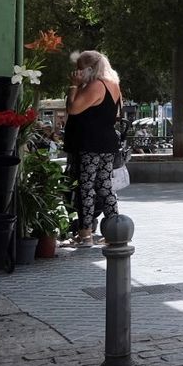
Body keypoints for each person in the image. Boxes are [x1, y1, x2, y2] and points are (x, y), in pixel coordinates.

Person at [65, 50, 124, 247]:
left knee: (86, 187)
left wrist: (73, 86)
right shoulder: (112, 85)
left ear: (89, 69)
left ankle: (85, 233)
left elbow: (73, 109)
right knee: (105, 186)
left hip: (90, 143)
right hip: (107, 143)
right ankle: (115, 231)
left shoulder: (96, 86)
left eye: (79, 69)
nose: (77, 72)